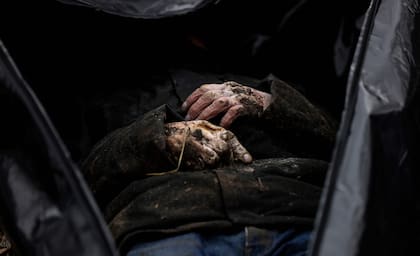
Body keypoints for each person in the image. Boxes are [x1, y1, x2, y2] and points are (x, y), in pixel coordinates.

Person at [82, 73, 336, 255]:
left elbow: (353, 141)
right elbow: (72, 183)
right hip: (169, 222)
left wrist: (264, 100)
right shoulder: (105, 98)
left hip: (297, 213)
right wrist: (160, 139)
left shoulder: (281, 73)